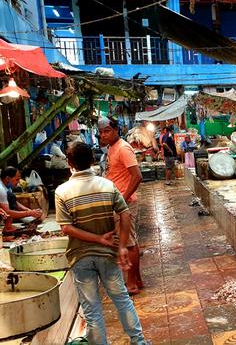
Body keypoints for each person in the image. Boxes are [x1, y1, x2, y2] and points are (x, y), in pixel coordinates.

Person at [55, 142, 147, 345]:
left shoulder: (62, 191)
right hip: (107, 254)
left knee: (92, 309)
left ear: (69, 163)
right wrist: (122, 245)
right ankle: (138, 341)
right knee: (122, 300)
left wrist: (96, 239)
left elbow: (66, 228)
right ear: (93, 160)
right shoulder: (107, 185)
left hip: (80, 257)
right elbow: (125, 213)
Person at [98, 117, 144, 295]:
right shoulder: (111, 148)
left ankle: (131, 283)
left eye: (107, 130)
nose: (104, 135)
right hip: (120, 201)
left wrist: (123, 199)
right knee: (131, 240)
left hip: (125, 203)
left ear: (116, 129)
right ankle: (137, 280)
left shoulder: (123, 148)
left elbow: (137, 175)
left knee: (129, 243)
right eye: (101, 132)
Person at [0, 167, 42, 232]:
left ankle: (8, 226)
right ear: (8, 178)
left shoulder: (7, 186)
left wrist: (28, 210)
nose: (18, 182)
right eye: (17, 179)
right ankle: (8, 227)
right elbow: (7, 212)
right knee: (11, 197)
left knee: (11, 197)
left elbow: (14, 203)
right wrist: (29, 213)